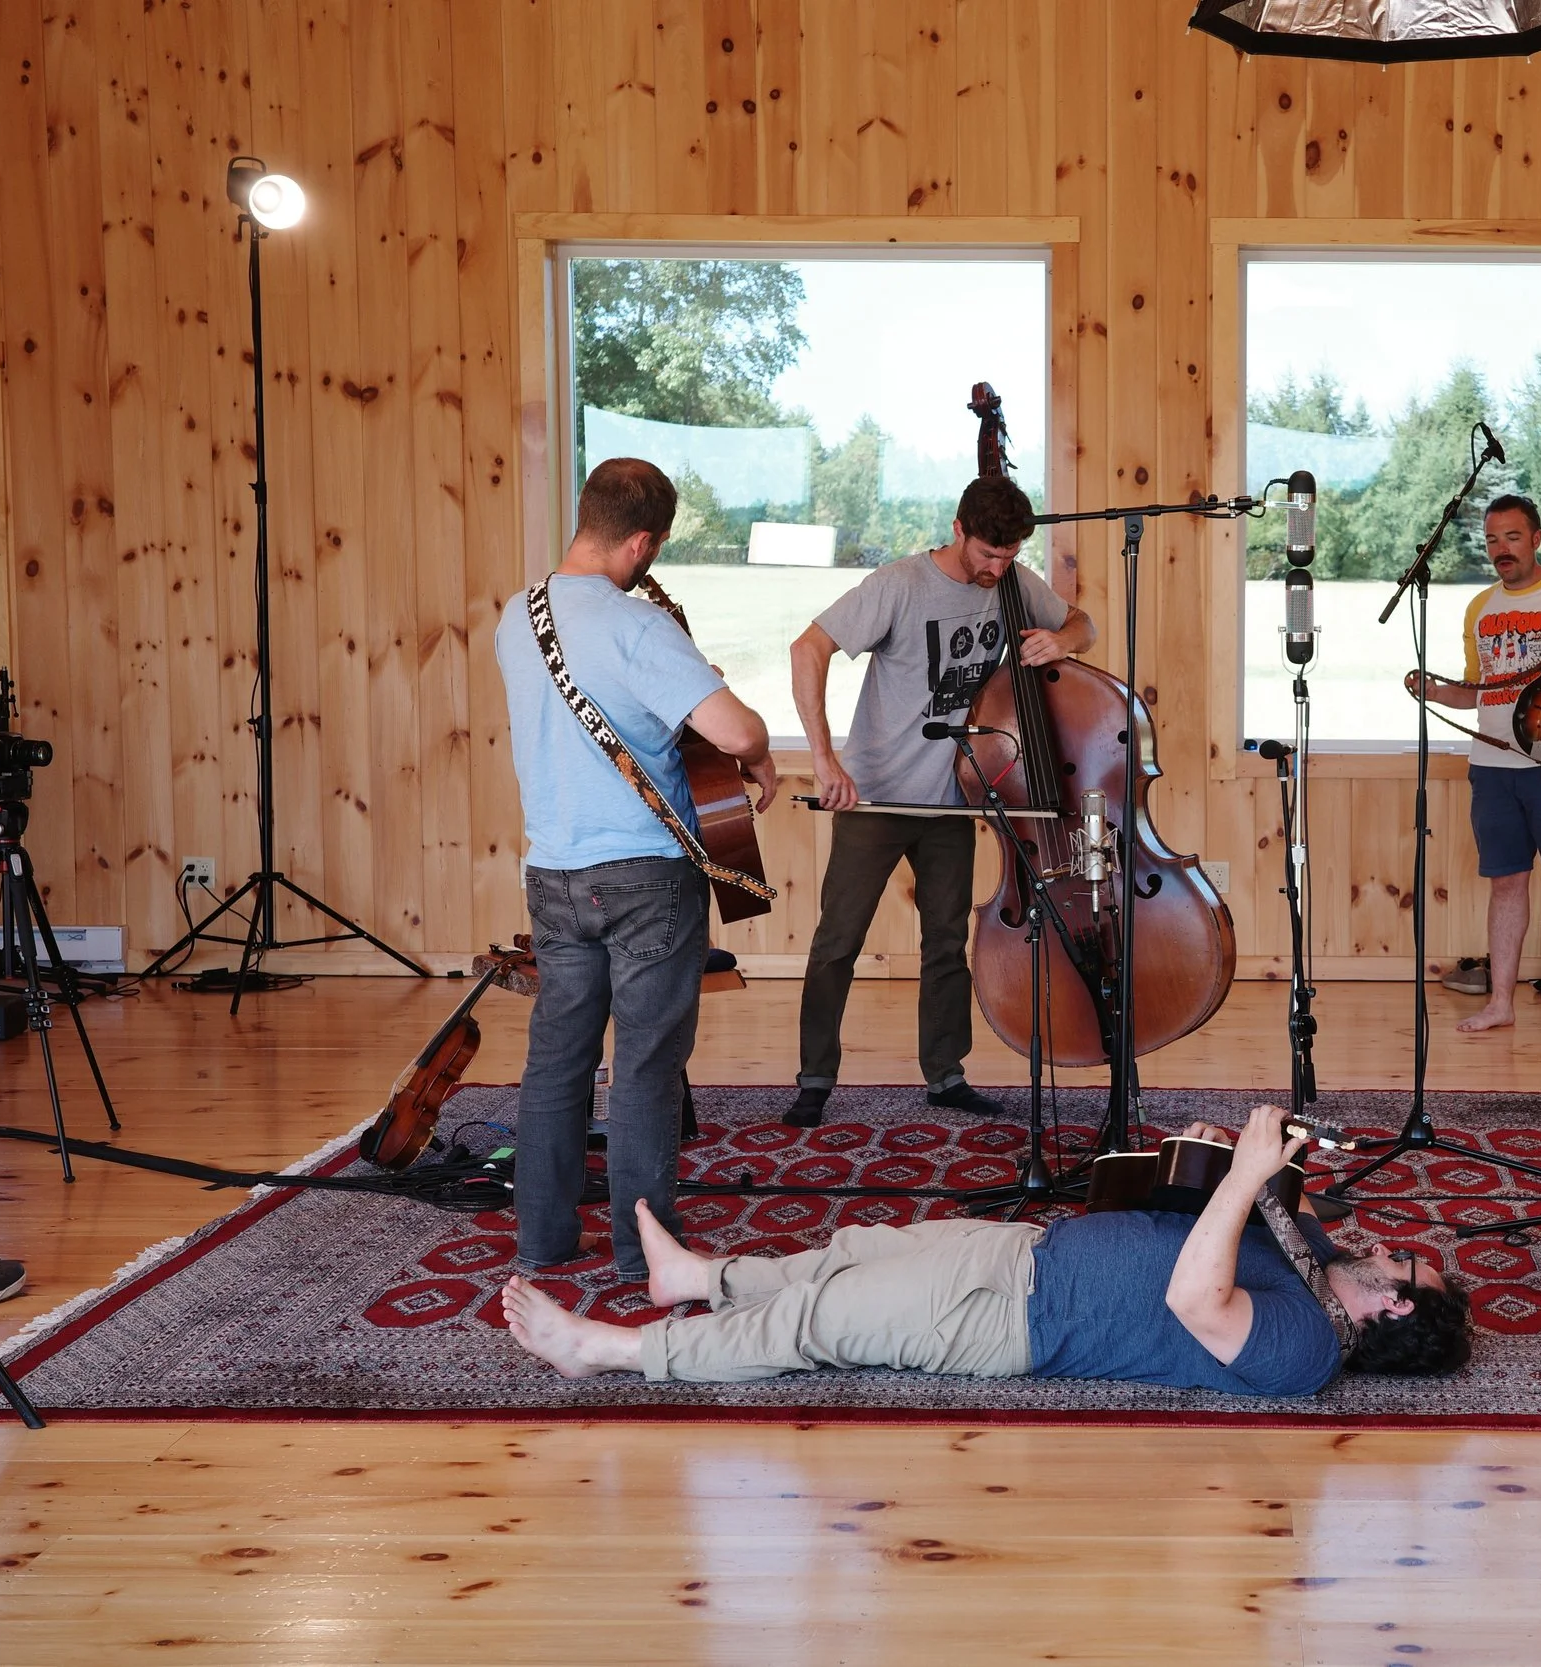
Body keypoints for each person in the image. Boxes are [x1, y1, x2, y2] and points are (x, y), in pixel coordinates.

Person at [501, 1105, 1473, 1394]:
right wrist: (1228, 1156)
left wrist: (1237, 1182)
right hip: (1028, 1252)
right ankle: (698, 1276)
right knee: (847, 1253)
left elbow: (1195, 1298)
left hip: (1013, 1321)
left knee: (822, 1320)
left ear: (1390, 1308)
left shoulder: (1306, 1348)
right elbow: (1197, 1195)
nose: (1388, 1245)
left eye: (1404, 1264)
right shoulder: (1312, 1240)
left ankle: (617, 1350)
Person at [493, 457, 779, 1284]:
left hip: (552, 872)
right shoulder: (635, 625)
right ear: (643, 541)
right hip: (646, 878)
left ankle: (542, 1241)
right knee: (646, 1067)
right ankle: (641, 1253)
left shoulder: (520, 614)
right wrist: (759, 753)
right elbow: (736, 731)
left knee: (558, 1060)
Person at [786, 475, 1098, 1128]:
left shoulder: (1012, 581)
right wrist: (823, 758)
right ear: (958, 530)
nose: (997, 568)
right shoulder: (899, 584)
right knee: (837, 941)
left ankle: (946, 1075)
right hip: (874, 794)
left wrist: (1062, 640)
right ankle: (814, 1078)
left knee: (946, 942)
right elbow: (807, 647)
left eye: (1009, 556)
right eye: (988, 553)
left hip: (955, 800)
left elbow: (1082, 622)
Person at [1405, 494, 1541, 1040]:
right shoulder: (1479, 607)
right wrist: (1432, 691)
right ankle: (1501, 1002)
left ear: (1536, 538)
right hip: (1492, 768)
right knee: (1506, 884)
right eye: (1493, 540)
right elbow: (1479, 692)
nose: (1502, 549)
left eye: (1513, 537)